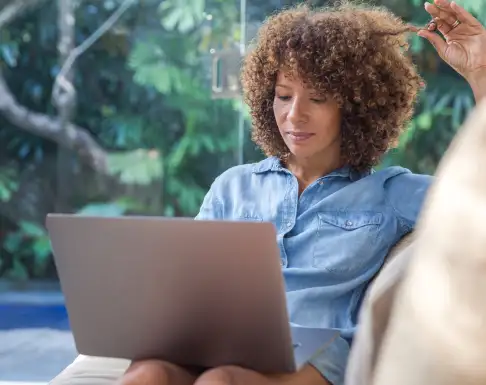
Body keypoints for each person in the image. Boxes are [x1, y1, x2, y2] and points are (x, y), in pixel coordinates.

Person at [120, 1, 486, 384]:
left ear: (355, 105)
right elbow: (189, 284)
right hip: (223, 340)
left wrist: (481, 76)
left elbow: (478, 201)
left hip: (316, 354)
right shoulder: (233, 186)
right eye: (283, 95)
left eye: (318, 98)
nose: (295, 115)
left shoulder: (391, 192)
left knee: (221, 381)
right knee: (146, 374)